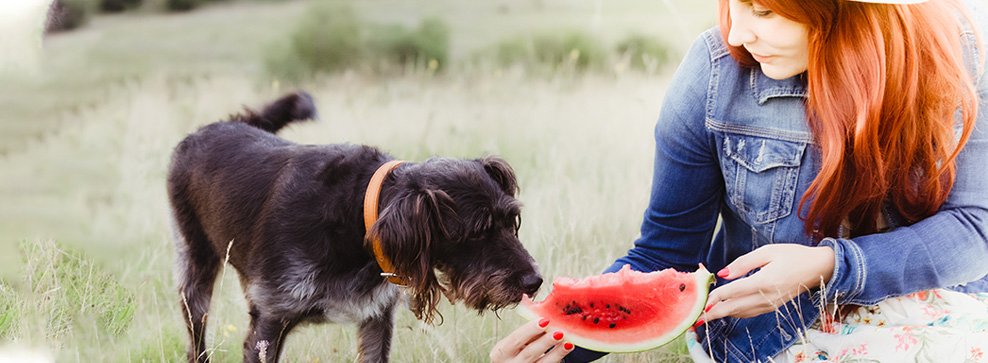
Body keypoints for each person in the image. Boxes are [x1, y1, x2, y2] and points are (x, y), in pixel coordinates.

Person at [490, 0, 988, 361]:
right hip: (773, 336)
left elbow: (975, 228)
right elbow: (665, 256)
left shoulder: (959, 58)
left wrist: (826, 265)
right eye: (732, 2)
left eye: (764, 11)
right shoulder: (713, 75)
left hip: (937, 313)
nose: (738, 33)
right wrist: (566, 340)